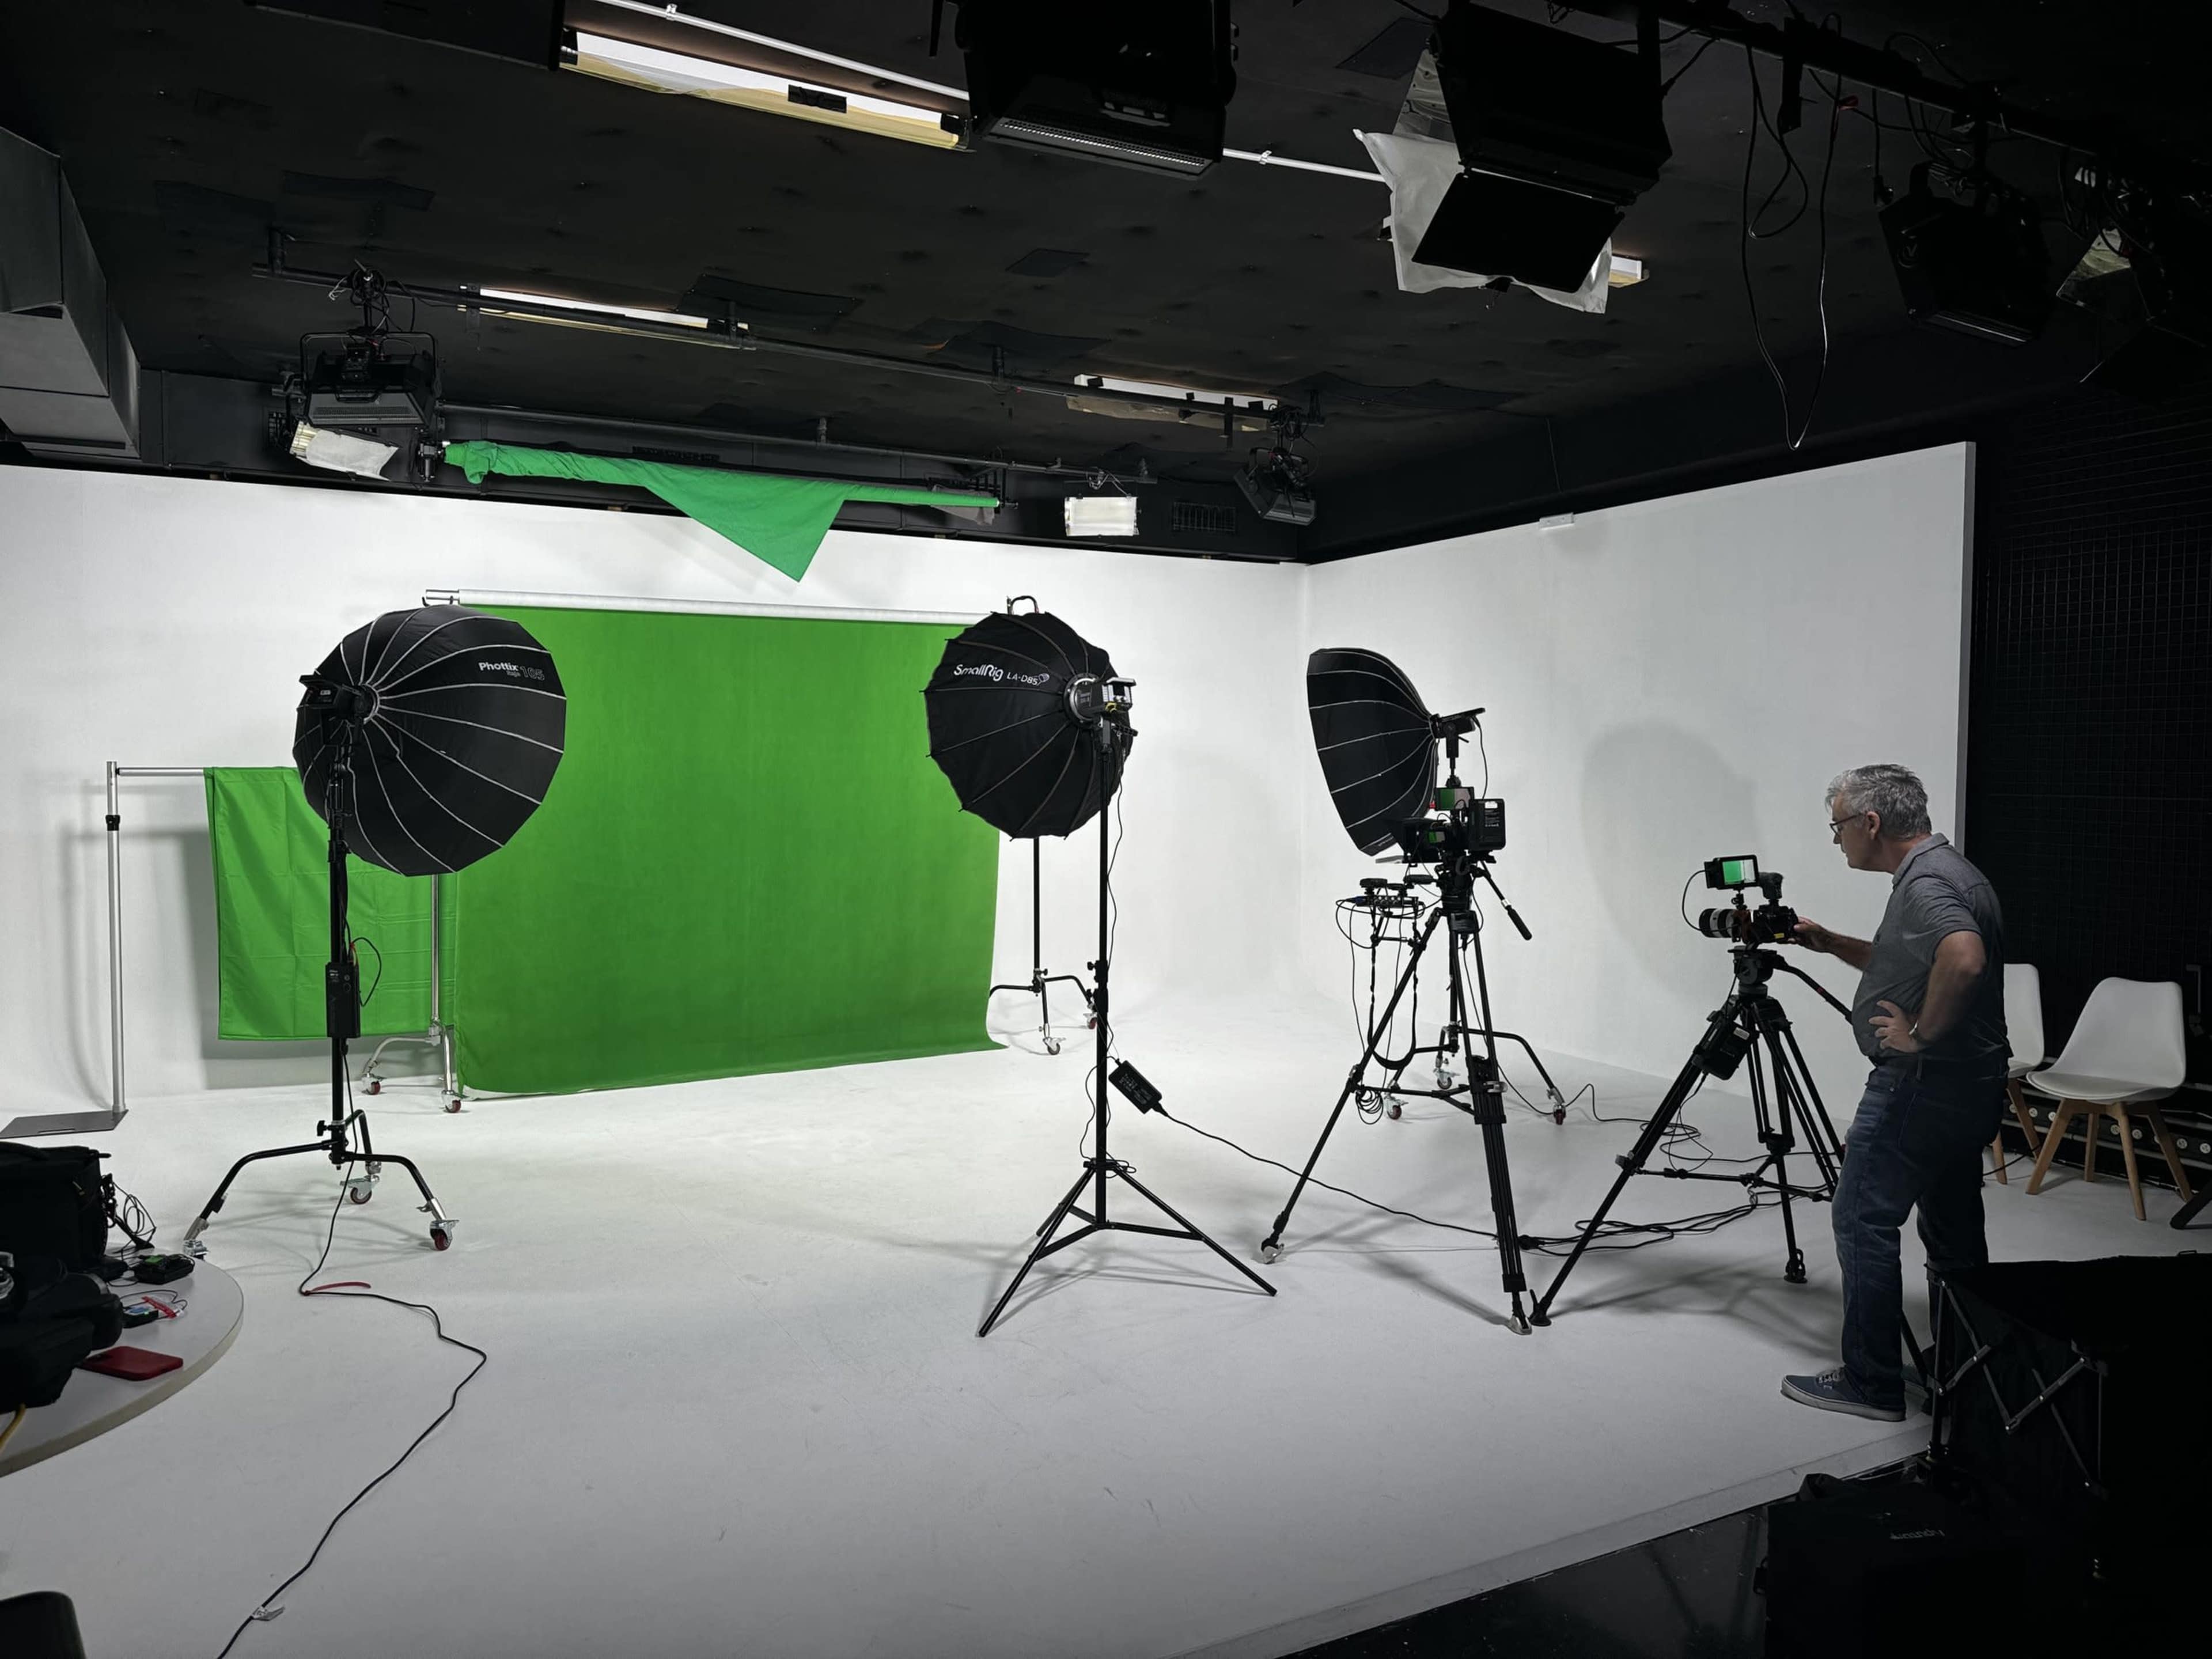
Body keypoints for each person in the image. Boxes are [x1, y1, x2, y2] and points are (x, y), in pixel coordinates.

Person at [1779, 763, 2008, 1421]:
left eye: (1839, 827)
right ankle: (1963, 1368)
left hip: (1922, 1086)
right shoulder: (1951, 871)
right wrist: (1828, 943)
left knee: (1861, 1217)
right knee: (1954, 1229)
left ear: (1871, 823)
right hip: (1971, 1084)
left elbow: (1963, 958)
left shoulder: (1927, 883)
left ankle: (1871, 1382)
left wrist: (1920, 1036)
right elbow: (1912, 961)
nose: (1837, 840)